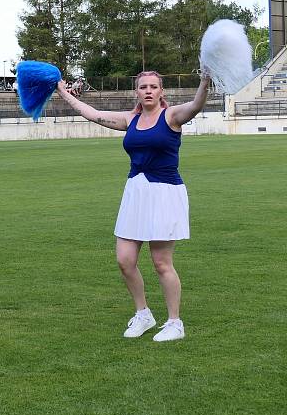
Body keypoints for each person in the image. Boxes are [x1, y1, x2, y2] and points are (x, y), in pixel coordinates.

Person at [56, 70, 210, 342]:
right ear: (136, 92)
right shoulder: (131, 119)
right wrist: (62, 92)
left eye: (153, 86)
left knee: (162, 263)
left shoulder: (172, 116)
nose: (148, 91)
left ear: (162, 91)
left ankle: (175, 322)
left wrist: (205, 81)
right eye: (143, 87)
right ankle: (143, 314)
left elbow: (196, 105)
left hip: (164, 193)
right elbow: (92, 113)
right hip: (135, 193)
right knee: (125, 261)